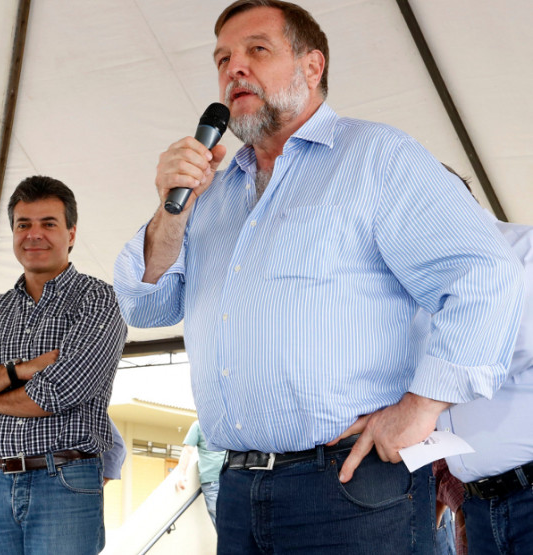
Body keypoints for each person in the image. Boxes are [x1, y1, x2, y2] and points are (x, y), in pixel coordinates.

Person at [112, 1, 524, 553]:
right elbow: (146, 307)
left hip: (349, 490)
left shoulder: (377, 157)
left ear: (313, 67)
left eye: (257, 50)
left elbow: (485, 273)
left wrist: (421, 407)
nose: (235, 68)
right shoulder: (210, 193)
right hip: (236, 488)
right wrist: (170, 209)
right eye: (223, 58)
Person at [0, 175, 128, 555]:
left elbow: (58, 391)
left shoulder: (100, 300)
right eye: (23, 224)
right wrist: (16, 371)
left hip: (65, 480)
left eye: (48, 224)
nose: (33, 234)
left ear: (71, 233)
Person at [416, 173, 533, 555]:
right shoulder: (423, 283)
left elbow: (511, 347)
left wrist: (422, 394)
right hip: (480, 505)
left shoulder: (525, 249)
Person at [174, 420, 225, 527]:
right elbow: (188, 450)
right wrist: (181, 475)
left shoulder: (228, 422)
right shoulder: (199, 424)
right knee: (221, 524)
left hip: (233, 479)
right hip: (212, 481)